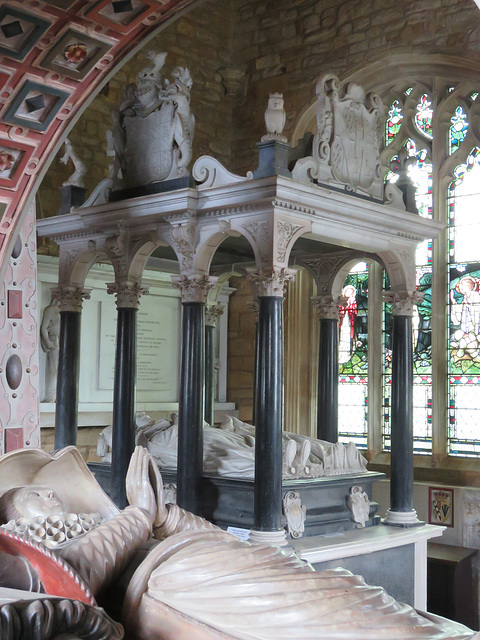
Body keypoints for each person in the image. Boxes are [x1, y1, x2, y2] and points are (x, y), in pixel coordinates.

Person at [40, 296, 60, 403]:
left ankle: (62, 396)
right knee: (54, 369)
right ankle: (51, 396)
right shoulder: (50, 310)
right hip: (55, 340)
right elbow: (43, 328)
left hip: (67, 340)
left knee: (65, 369)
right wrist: (48, 342)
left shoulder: (66, 309)